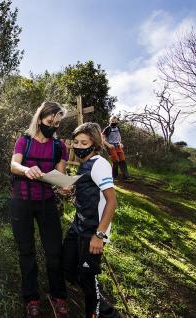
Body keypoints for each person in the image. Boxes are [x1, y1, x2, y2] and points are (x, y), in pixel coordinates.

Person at [10, 101, 70, 318]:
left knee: (54, 251)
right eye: (49, 121)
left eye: (57, 123)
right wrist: (27, 169)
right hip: (22, 201)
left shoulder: (59, 146)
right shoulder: (24, 141)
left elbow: (61, 176)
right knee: (26, 251)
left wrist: (65, 187)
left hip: (46, 203)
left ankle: (59, 297)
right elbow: (14, 165)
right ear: (40, 119)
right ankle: (31, 299)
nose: (53, 126)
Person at [63, 122, 121, 318]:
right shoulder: (84, 165)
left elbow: (112, 201)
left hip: (93, 232)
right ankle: (98, 298)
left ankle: (100, 312)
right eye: (76, 142)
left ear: (94, 143)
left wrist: (99, 235)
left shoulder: (99, 164)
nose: (78, 146)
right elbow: (89, 194)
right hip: (77, 227)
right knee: (68, 267)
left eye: (84, 142)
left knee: (88, 279)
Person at [102, 116, 130, 180]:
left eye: (115, 121)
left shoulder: (118, 128)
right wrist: (108, 145)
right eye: (112, 121)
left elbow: (119, 137)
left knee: (122, 160)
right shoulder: (107, 129)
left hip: (118, 146)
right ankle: (114, 177)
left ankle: (126, 176)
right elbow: (102, 138)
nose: (114, 122)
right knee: (116, 161)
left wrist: (120, 143)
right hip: (111, 147)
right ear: (110, 121)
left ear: (117, 121)